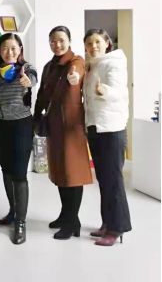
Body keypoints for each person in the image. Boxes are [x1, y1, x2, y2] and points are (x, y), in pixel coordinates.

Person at [33, 26, 92, 240]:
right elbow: (42, 93)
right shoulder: (49, 66)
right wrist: (36, 114)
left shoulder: (76, 62)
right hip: (54, 125)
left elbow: (76, 74)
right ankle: (65, 214)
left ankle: (72, 221)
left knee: (73, 173)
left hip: (71, 127)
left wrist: (74, 77)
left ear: (69, 41)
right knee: (60, 172)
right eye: (53, 41)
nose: (57, 44)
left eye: (61, 40)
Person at [83, 28, 132, 246]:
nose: (93, 46)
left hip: (111, 128)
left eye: (97, 42)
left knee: (113, 181)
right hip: (96, 127)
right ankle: (107, 223)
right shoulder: (93, 64)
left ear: (107, 43)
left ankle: (117, 228)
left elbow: (119, 92)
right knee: (103, 180)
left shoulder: (114, 63)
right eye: (89, 43)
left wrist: (105, 91)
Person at [0, 33, 38, 244]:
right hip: (0, 125)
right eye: (4, 48)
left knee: (19, 174)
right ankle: (13, 211)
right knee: (6, 171)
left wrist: (28, 81)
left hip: (20, 125)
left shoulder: (25, 68)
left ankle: (21, 223)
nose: (9, 52)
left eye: (13, 48)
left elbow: (32, 79)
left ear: (20, 50)